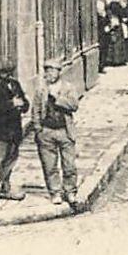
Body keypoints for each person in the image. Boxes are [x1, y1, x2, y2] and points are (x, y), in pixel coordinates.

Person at [36, 59, 81, 207]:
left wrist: (57, 98)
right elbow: (35, 110)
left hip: (64, 131)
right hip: (47, 131)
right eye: (47, 71)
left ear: (58, 72)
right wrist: (38, 129)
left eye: (52, 70)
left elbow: (74, 105)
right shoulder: (41, 90)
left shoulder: (67, 88)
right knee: (50, 165)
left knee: (69, 165)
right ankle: (55, 191)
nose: (49, 74)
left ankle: (70, 191)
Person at [0, 61, 29, 204]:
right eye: (5, 72)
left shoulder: (15, 85)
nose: (8, 75)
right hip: (1, 129)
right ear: (0, 72)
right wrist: (12, 104)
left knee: (11, 159)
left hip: (14, 128)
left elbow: (25, 102)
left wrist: (23, 105)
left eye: (9, 72)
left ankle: (6, 186)